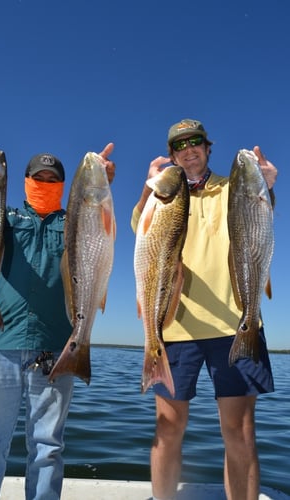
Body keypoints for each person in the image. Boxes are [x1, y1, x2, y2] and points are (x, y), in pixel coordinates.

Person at [131, 119, 277, 500]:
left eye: (196, 142)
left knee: (240, 430)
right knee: (167, 427)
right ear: (173, 154)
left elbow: (259, 217)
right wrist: (149, 188)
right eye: (180, 145)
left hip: (237, 324)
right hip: (175, 328)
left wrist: (267, 186)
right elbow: (139, 228)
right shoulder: (165, 195)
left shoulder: (234, 189)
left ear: (208, 148)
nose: (189, 149)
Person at [0, 143, 115, 500]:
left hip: (56, 348)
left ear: (65, 187)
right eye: (38, 177)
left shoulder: (75, 221)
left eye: (53, 179)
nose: (45, 183)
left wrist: (101, 187)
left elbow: (100, 232)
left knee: (48, 448)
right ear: (25, 181)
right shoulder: (6, 217)